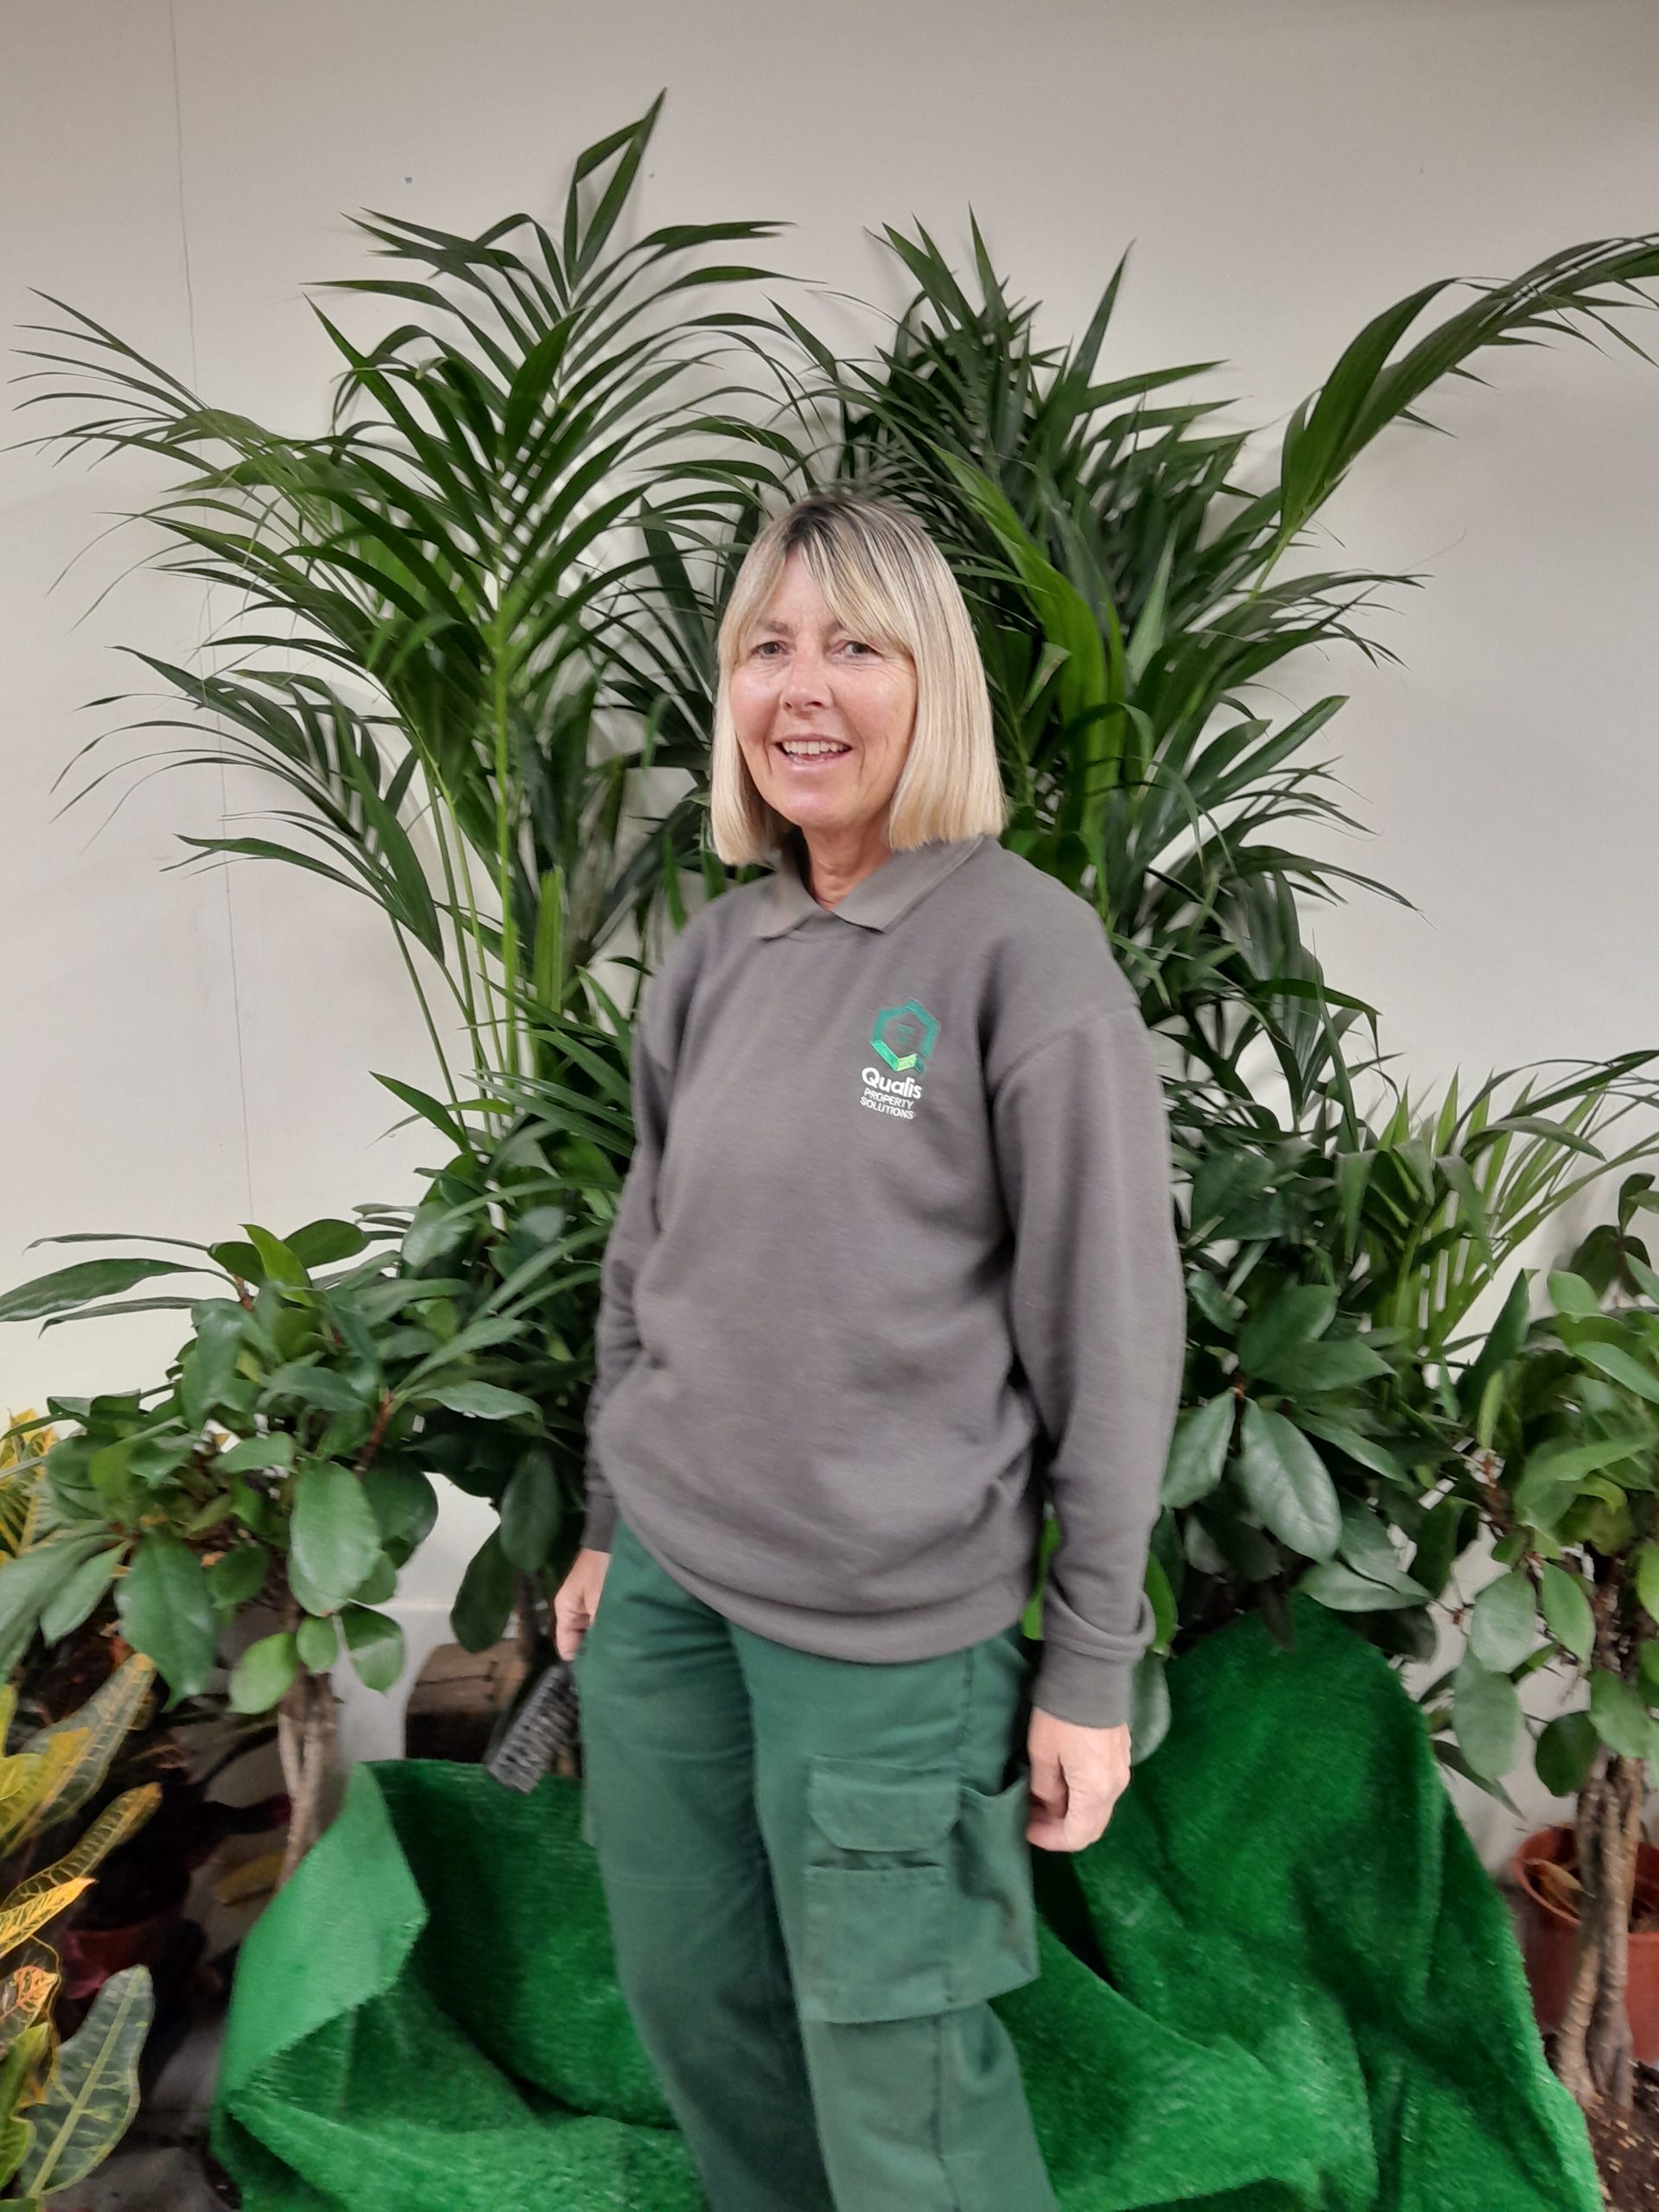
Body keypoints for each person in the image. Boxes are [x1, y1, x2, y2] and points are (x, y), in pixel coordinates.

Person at [553, 486, 1185, 2211]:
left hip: (894, 1631)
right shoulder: (716, 951)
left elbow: (1114, 1335)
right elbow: (648, 1259)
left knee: (899, 2075)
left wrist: (1089, 1663)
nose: (802, 688)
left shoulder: (1021, 951)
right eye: (767, 645)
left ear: (937, 687)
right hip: (675, 1584)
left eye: (855, 644)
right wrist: (612, 1522)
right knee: (702, 2007)